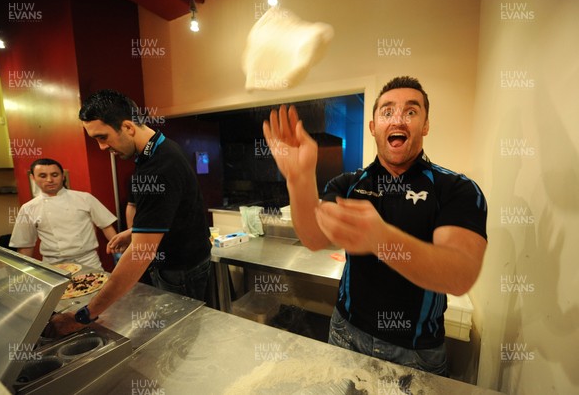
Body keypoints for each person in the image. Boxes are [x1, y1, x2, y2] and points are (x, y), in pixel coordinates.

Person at [262, 76, 488, 376]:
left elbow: (460, 274)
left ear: (425, 125)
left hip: (415, 352)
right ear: (373, 127)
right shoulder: (348, 183)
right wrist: (299, 178)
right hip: (346, 333)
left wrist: (382, 239)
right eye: (387, 112)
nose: (399, 119)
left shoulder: (456, 189)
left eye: (411, 111)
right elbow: (314, 238)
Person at [50, 89, 212, 335]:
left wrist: (84, 316)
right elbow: (171, 210)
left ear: (127, 127)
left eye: (103, 137)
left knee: (180, 337)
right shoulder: (161, 149)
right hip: (184, 259)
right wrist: (136, 230)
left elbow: (140, 253)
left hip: (180, 269)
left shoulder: (158, 166)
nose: (102, 147)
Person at [9, 158, 117, 270]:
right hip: (54, 265)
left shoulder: (85, 198)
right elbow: (26, 244)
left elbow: (106, 225)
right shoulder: (28, 209)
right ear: (33, 178)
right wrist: (24, 271)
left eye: (55, 175)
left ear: (63, 176)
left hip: (88, 261)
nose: (50, 180)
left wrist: (118, 251)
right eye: (42, 176)